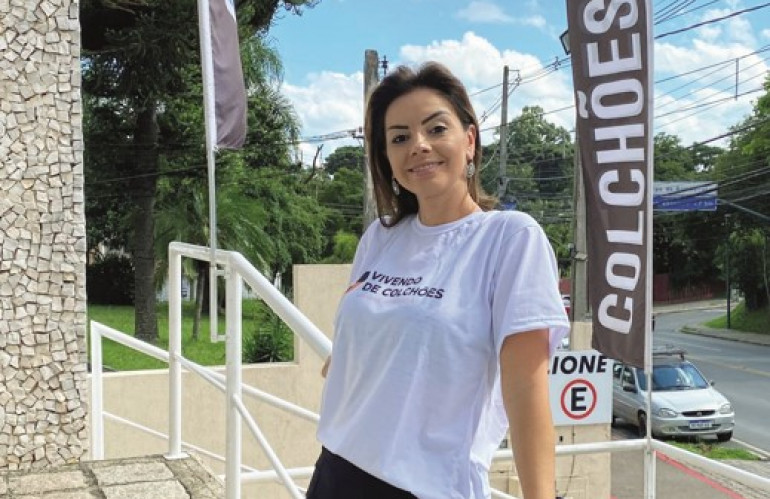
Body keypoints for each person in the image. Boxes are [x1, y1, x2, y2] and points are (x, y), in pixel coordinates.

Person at [307, 61, 570, 499]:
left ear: (470, 141)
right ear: (387, 159)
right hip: (336, 470)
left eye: (436, 128)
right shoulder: (380, 238)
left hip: (428, 487)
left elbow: (526, 390)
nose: (419, 145)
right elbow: (351, 351)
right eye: (400, 138)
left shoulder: (509, 239)